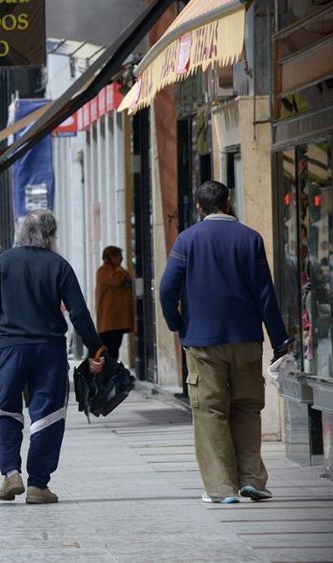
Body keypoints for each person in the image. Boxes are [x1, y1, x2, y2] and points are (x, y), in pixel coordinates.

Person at [159, 180, 290, 505]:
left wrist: (179, 325)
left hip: (203, 341)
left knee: (210, 411)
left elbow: (166, 290)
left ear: (199, 207)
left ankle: (220, 488)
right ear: (228, 202)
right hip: (246, 338)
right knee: (247, 407)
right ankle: (253, 480)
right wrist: (279, 340)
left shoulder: (186, 241)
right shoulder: (250, 239)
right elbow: (265, 294)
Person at [0, 210, 104, 504]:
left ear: (22, 233)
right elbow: (79, 313)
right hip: (49, 350)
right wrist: (95, 348)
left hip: (11, 348)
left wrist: (7, 303)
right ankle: (38, 485)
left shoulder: (6, 260)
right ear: (50, 236)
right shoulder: (59, 265)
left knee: (7, 409)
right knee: (48, 414)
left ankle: (11, 473)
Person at [95, 246, 135, 360]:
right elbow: (117, 281)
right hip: (108, 321)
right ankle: (108, 375)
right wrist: (121, 270)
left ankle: (112, 374)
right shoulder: (103, 271)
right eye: (119, 256)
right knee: (109, 351)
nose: (122, 258)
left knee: (114, 349)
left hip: (118, 321)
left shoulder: (117, 270)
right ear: (112, 257)